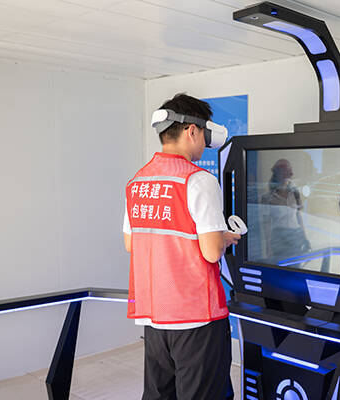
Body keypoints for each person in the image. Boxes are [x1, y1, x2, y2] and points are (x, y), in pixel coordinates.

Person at [122, 93, 240, 400]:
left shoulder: (138, 181)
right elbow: (211, 252)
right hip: (196, 317)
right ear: (192, 131)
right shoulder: (199, 180)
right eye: (204, 134)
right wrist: (223, 238)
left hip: (154, 315)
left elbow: (132, 243)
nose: (205, 145)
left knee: (160, 394)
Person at [260, 158, 310, 263]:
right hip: (278, 238)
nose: (290, 175)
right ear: (277, 174)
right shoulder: (267, 198)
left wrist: (305, 238)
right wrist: (268, 247)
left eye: (289, 172)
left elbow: (299, 217)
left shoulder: (295, 193)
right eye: (286, 172)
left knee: (296, 266)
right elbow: (266, 224)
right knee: (280, 265)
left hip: (295, 237)